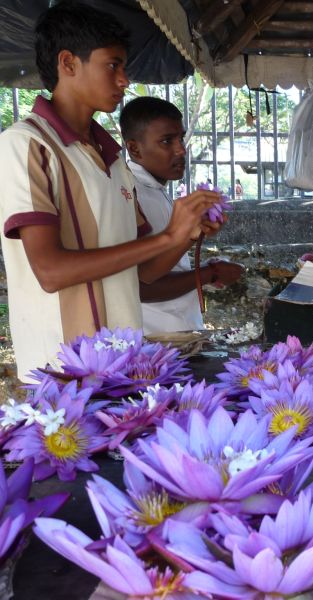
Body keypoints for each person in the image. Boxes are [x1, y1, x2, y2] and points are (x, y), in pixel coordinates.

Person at [0, 1, 221, 379]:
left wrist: (184, 235)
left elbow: (145, 274)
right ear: (68, 63)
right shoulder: (26, 144)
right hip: (63, 373)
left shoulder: (113, 159)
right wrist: (166, 234)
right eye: (112, 65)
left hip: (125, 366)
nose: (124, 80)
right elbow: (50, 271)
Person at [120, 97, 244, 334]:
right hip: (157, 336)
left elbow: (164, 263)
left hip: (176, 330)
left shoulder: (155, 191)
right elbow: (140, 285)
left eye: (181, 138)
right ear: (134, 148)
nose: (180, 149)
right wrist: (209, 273)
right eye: (167, 141)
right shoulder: (133, 194)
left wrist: (195, 240)